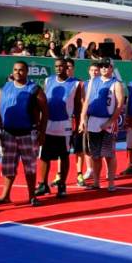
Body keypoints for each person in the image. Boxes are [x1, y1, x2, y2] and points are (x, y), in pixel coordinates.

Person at [0, 61, 48, 206]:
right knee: (8, 167)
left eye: (21, 70)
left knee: (29, 167)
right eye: (16, 69)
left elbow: (45, 111)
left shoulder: (35, 89)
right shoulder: (5, 88)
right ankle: (5, 196)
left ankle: (32, 197)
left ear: (27, 72)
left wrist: (42, 133)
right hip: (8, 134)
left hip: (28, 134)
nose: (18, 72)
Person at [35, 58, 81, 199]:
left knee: (64, 155)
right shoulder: (48, 81)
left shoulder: (76, 84)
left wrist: (79, 124)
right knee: (44, 156)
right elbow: (42, 103)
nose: (58, 68)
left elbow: (78, 107)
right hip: (48, 125)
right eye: (56, 66)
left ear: (66, 67)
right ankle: (43, 184)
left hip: (64, 126)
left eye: (61, 66)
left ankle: (62, 184)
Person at [80, 59, 124, 191]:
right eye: (102, 66)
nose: (104, 68)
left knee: (109, 154)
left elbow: (120, 104)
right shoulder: (93, 81)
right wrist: (83, 118)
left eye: (107, 66)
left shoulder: (116, 83)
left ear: (111, 68)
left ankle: (111, 183)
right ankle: (96, 182)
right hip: (92, 121)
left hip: (107, 122)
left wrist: (111, 121)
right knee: (95, 155)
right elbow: (87, 100)